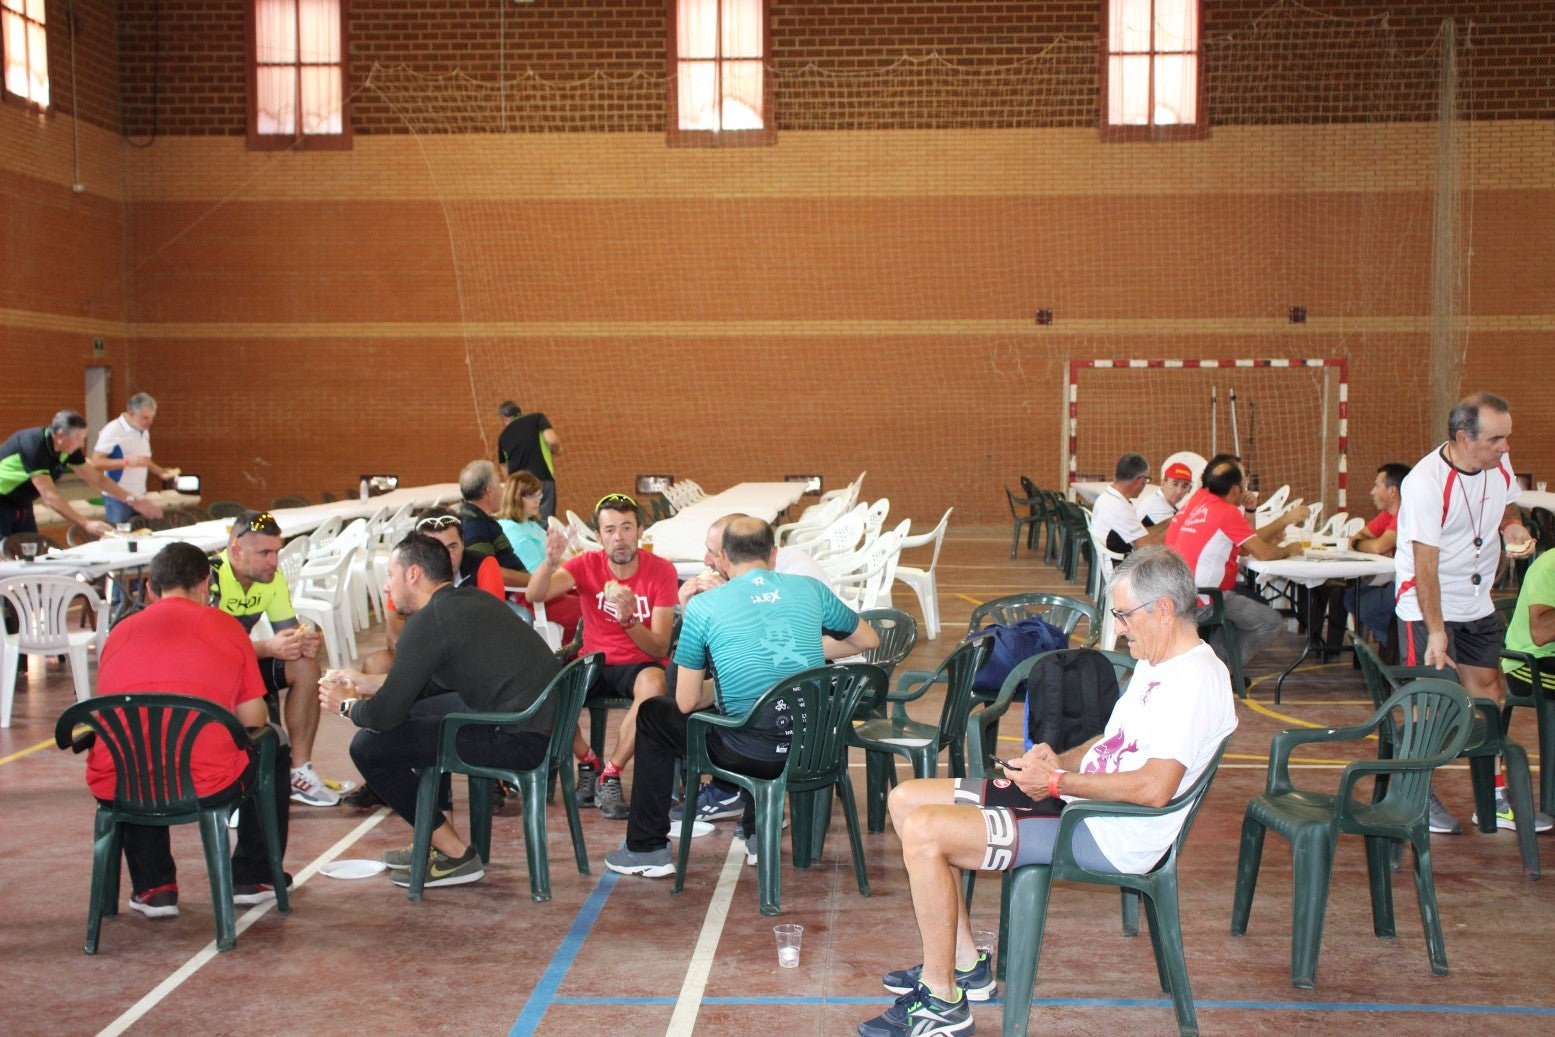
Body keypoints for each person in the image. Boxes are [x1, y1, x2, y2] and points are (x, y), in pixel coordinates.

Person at [856, 547, 1236, 1037]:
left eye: (1123, 616)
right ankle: (968, 966)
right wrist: (1059, 760)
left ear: (1163, 609)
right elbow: (1113, 742)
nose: (1119, 628)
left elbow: (1154, 788)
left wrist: (1055, 783)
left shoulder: (1195, 680)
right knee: (908, 799)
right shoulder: (1158, 660)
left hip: (1106, 831)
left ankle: (942, 1000)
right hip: (1081, 802)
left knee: (927, 830)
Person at [604, 516, 879, 878]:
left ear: (723, 558)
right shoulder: (811, 590)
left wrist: (720, 687)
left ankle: (646, 848)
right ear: (774, 554)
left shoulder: (704, 606)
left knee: (656, 714)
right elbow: (868, 640)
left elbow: (685, 702)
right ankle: (755, 835)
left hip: (749, 756)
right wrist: (799, 648)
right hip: (815, 749)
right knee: (752, 708)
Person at [318, 532, 560, 888]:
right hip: (536, 725)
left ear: (413, 574)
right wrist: (369, 684)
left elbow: (384, 717)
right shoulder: (469, 600)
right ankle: (430, 843)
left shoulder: (428, 623)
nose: (386, 586)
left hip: (516, 738)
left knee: (368, 747)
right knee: (415, 715)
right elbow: (427, 686)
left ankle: (454, 853)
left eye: (390, 575)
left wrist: (346, 706)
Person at [86, 542, 292, 917]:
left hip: (123, 782)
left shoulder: (119, 633)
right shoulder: (228, 628)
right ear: (205, 585)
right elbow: (252, 720)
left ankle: (154, 887)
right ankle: (252, 875)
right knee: (273, 743)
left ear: (150, 589)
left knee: (139, 750)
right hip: (206, 781)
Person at [1395, 392, 1544, 835]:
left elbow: (1506, 501)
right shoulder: (1424, 483)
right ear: (1463, 437)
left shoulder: (1496, 464)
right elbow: (1424, 565)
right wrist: (1436, 631)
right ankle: (1416, 795)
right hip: (1428, 604)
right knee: (1432, 704)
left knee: (1488, 697)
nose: (1505, 448)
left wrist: (1511, 524)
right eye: (1496, 439)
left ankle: (1493, 798)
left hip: (1476, 602)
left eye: (1506, 439)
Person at [673, 512, 838, 824]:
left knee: (691, 704)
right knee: (729, 691)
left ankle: (729, 796)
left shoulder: (795, 581)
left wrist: (707, 608)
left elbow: (688, 699)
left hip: (809, 702)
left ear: (728, 554)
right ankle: (752, 819)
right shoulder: (788, 580)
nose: (707, 561)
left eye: (713, 552)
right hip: (811, 726)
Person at [526, 493, 678, 819]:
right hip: (593, 661)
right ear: (599, 537)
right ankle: (589, 761)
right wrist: (550, 562)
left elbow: (660, 648)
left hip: (640, 663)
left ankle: (611, 772)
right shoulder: (585, 565)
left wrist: (629, 621)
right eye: (610, 530)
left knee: (655, 685)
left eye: (626, 528)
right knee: (542, 690)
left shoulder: (661, 571)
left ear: (640, 531)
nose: (619, 538)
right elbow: (535, 594)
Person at [210, 509, 338, 807]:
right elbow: (211, 651)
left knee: (306, 667)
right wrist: (268, 648)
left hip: (244, 665)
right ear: (236, 550)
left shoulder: (272, 579)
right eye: (264, 553)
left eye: (276, 552)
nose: (274, 562)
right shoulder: (211, 576)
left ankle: (299, 770)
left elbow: (288, 633)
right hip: (212, 675)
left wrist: (302, 643)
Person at [1164, 457, 1310, 674]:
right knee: (1270, 621)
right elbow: (1264, 553)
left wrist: (1250, 511)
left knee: (1241, 607)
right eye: (1244, 483)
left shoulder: (1197, 500)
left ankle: (1213, 663)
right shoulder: (1226, 512)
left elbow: (1244, 546)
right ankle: (1216, 672)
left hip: (1172, 590)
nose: (1246, 489)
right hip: (1203, 598)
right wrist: (1289, 544)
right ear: (1234, 489)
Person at [0, 410, 162, 539]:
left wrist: (132, 500)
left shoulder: (67, 448)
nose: (81, 444)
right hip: (2, 501)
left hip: (21, 503)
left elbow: (97, 478)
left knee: (30, 551)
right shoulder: (34, 446)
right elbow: (50, 497)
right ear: (61, 435)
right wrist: (85, 523)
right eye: (78, 438)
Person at [1317, 462, 1409, 659]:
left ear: (1392, 491)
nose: (1372, 492)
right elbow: (1358, 537)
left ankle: (1398, 647)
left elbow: (1377, 546)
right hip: (1392, 579)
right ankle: (1392, 645)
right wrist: (1364, 543)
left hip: (1410, 585)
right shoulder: (1387, 515)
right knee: (1350, 598)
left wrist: (1363, 545)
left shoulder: (1405, 513)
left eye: (1377, 486)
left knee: (1362, 602)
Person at [91, 394, 180, 527]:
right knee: (121, 539)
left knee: (142, 536)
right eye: (145, 418)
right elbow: (96, 463)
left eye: (151, 418)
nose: (150, 422)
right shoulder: (113, 430)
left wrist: (160, 471)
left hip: (140, 495)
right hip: (118, 497)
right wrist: (126, 462)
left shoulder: (144, 431)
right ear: (132, 413)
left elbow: (144, 460)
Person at [455, 460, 527, 586]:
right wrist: (534, 582)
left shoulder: (478, 519)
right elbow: (488, 571)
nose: (502, 489)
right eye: (499, 484)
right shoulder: (474, 525)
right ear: (489, 491)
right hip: (512, 597)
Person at [1090, 453, 1169, 558]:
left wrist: (1170, 522)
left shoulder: (1107, 497)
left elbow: (1142, 534)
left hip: (1107, 561)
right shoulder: (1120, 508)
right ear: (1140, 481)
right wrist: (1175, 528)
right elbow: (1147, 548)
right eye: (1147, 480)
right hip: (1120, 569)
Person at [497, 400, 560, 523]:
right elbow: (551, 440)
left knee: (523, 522)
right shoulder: (537, 418)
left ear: (505, 418)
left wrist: (512, 488)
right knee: (544, 523)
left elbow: (503, 466)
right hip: (543, 479)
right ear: (519, 412)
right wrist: (558, 449)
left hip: (519, 487)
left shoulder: (503, 436)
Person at [495, 471, 549, 572]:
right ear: (515, 498)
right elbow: (536, 572)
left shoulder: (529, 521)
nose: (537, 500)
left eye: (539, 495)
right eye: (532, 496)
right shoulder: (512, 529)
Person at [1136, 460, 1196, 528]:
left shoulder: (1173, 504)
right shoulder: (1155, 505)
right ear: (1163, 483)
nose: (1179, 491)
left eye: (1185, 486)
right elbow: (1178, 533)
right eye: (1175, 484)